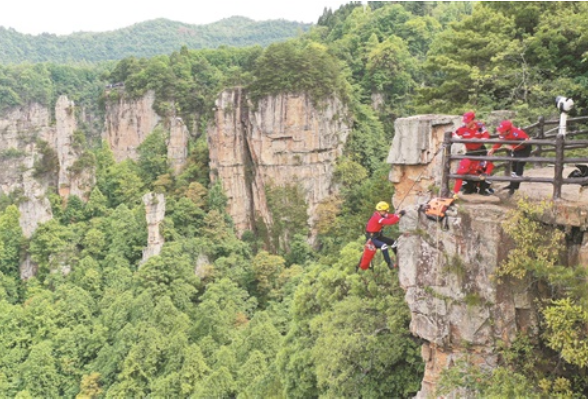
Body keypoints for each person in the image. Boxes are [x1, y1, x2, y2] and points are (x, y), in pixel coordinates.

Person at [488, 120, 531, 196]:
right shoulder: (503, 134)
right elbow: (500, 142)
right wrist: (493, 149)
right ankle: (512, 184)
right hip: (516, 149)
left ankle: (514, 188)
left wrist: (513, 147)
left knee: (519, 165)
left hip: (524, 149)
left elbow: (525, 142)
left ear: (508, 130)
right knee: (514, 166)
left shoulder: (516, 133)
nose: (500, 132)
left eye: (502, 131)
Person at [365, 202, 405, 270]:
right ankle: (389, 263)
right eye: (385, 211)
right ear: (381, 211)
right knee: (384, 246)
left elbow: (391, 216)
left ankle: (399, 258)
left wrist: (398, 214)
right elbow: (389, 222)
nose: (386, 212)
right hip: (372, 239)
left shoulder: (382, 215)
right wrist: (399, 216)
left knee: (393, 242)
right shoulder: (377, 217)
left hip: (378, 236)